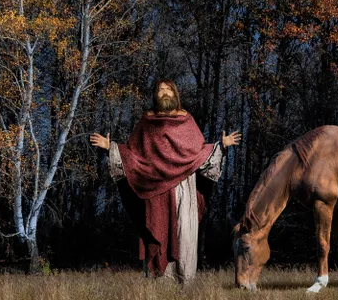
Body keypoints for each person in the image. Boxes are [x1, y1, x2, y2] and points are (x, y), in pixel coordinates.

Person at [90, 79, 241, 283]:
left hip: (184, 190)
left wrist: (220, 146)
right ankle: (159, 285)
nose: (165, 93)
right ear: (155, 95)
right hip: (155, 189)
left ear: (175, 94)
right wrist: (112, 147)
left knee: (184, 235)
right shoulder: (146, 121)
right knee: (157, 231)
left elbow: (198, 154)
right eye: (160, 90)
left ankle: (184, 284)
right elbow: (133, 155)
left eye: (168, 89)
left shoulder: (186, 120)